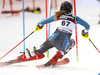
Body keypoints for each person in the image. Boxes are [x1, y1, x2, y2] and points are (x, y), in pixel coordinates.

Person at [16, 1, 90, 66]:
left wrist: (39, 26)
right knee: (72, 42)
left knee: (40, 49)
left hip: (53, 38)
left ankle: (24, 56)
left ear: (61, 8)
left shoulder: (57, 15)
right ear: (71, 9)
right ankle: (58, 55)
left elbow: (41, 22)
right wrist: (84, 32)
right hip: (63, 42)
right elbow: (87, 26)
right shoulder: (75, 17)